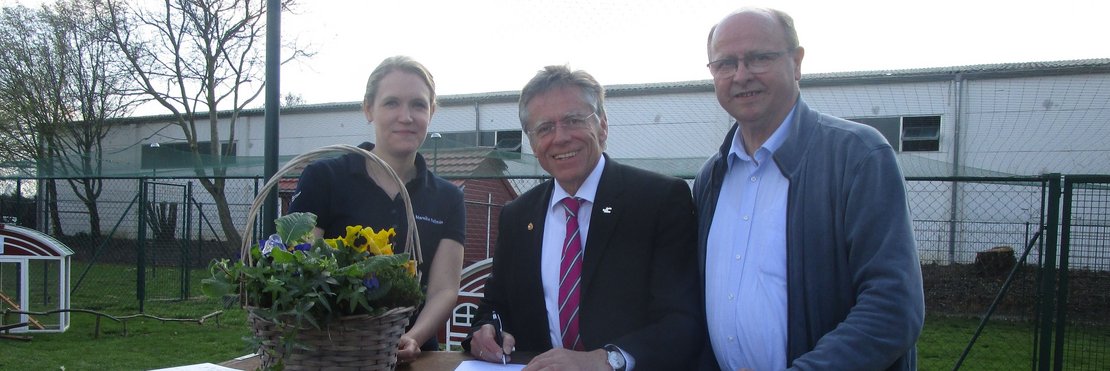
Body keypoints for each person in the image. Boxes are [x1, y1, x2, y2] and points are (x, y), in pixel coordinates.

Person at [693, 7, 926, 371]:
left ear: (797, 63)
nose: (741, 75)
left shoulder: (857, 156)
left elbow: (893, 307)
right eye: (725, 64)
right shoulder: (712, 176)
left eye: (759, 58)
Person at [464, 65, 704, 370]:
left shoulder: (660, 200)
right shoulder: (517, 215)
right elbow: (494, 307)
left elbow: (683, 321)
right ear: (533, 142)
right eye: (544, 128)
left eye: (574, 121)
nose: (560, 137)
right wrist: (484, 332)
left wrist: (607, 359)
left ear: (602, 126)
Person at [288, 55, 465, 362]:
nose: (406, 117)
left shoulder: (448, 197)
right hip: (332, 352)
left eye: (419, 105)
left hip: (413, 356)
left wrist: (414, 337)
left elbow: (444, 290)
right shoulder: (325, 177)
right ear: (368, 109)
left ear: (431, 112)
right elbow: (300, 263)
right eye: (392, 103)